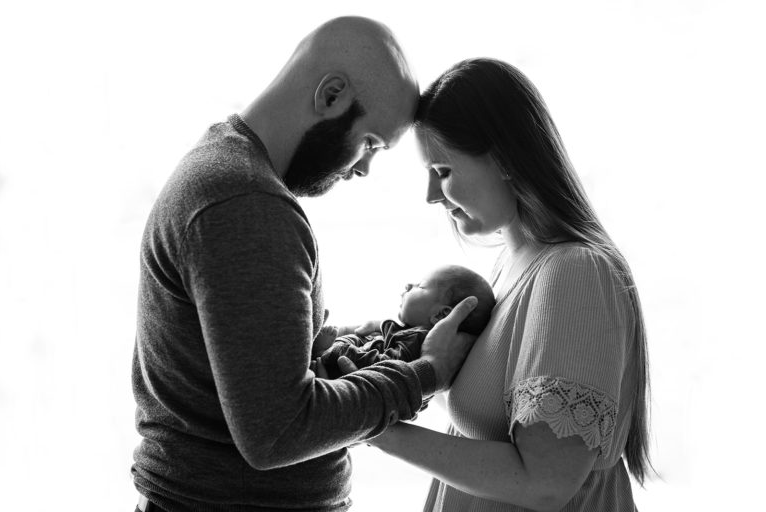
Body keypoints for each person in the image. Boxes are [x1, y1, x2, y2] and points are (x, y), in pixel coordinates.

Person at [130, 17, 478, 512]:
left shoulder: (224, 172)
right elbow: (279, 431)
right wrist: (426, 374)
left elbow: (263, 379)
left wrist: (368, 342)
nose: (363, 168)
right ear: (331, 95)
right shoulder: (246, 204)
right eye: (372, 143)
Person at [362, 58, 652, 511]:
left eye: (442, 171)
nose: (432, 197)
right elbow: (490, 424)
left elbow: (544, 482)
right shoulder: (507, 267)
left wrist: (370, 423)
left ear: (501, 158)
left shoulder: (574, 273)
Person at [314, 265, 495, 379]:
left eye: (420, 286)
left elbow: (382, 366)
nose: (408, 285)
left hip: (342, 375)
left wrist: (340, 346)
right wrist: (378, 327)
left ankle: (322, 351)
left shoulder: (417, 341)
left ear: (441, 315)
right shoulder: (409, 333)